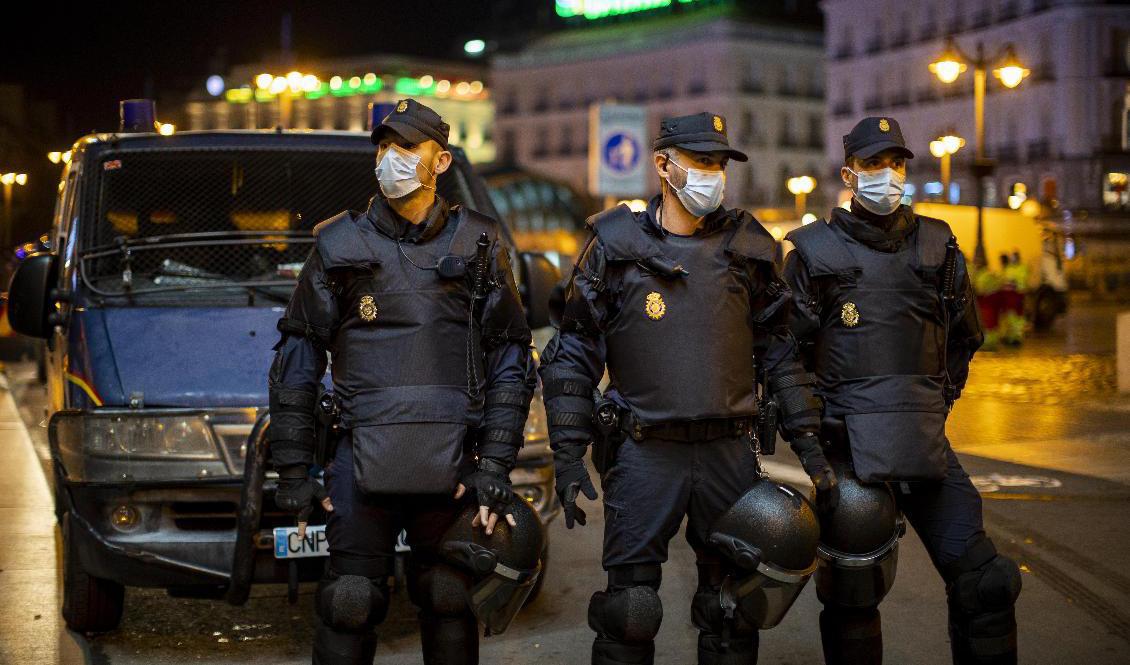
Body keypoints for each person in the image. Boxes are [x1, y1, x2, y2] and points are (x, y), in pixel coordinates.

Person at [540, 111, 833, 665]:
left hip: (728, 452)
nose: (713, 174)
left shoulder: (749, 248)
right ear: (663, 166)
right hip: (646, 452)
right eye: (701, 161)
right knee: (630, 613)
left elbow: (780, 354)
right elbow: (573, 350)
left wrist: (812, 450)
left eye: (720, 163)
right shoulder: (614, 245)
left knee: (731, 613)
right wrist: (568, 453)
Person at [267, 99, 535, 665]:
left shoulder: (480, 244)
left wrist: (494, 466)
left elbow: (511, 355)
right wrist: (293, 468)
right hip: (360, 461)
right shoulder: (338, 245)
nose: (390, 159)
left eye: (406, 148)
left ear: (440, 161)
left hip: (453, 466)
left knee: (448, 595)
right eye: (383, 148)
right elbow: (299, 353)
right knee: (349, 601)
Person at [781, 116, 1021, 665]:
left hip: (923, 444)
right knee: (853, 594)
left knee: (988, 584)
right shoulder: (812, 252)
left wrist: (936, 403)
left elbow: (966, 337)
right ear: (848, 173)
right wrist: (815, 437)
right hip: (849, 452)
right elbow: (782, 356)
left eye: (896, 163)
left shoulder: (938, 246)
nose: (887, 174)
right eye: (873, 164)